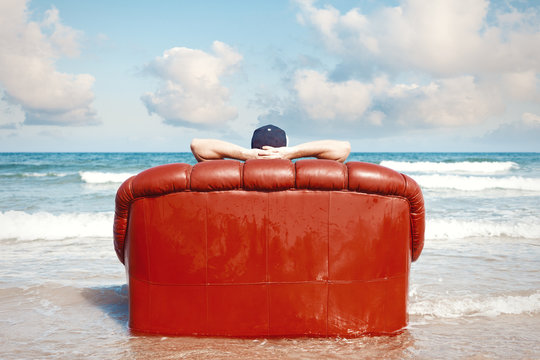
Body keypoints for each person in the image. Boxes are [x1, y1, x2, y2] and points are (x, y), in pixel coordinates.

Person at [190, 124, 351, 163]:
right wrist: (292, 153)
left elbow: (197, 145)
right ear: (286, 147)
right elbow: (343, 148)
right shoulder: (298, 176)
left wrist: (244, 155)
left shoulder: (235, 177)